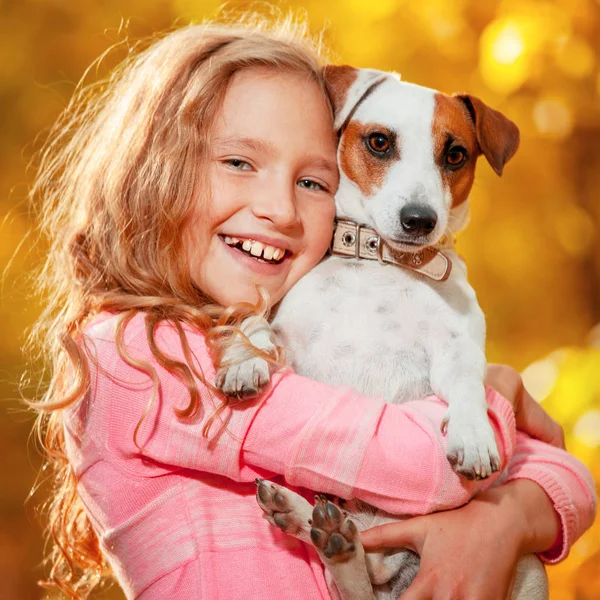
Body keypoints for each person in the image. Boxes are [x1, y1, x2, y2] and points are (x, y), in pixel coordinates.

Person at [27, 15, 596, 600]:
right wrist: (501, 390)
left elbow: (572, 478)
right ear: (156, 175)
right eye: (239, 162)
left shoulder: (283, 322)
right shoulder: (137, 356)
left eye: (314, 183)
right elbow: (424, 466)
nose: (280, 208)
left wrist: (507, 520)